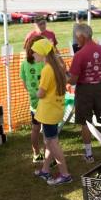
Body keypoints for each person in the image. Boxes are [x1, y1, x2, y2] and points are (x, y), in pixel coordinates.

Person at [69, 24, 101, 163]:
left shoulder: (79, 54)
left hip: (84, 90)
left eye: (76, 37)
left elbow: (73, 80)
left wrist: (64, 76)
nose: (76, 40)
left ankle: (89, 154)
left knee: (85, 122)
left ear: (81, 36)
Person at [32, 39, 72, 186]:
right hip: (55, 110)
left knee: (53, 143)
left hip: (49, 112)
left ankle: (65, 174)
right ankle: (45, 170)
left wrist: (36, 93)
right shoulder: (57, 66)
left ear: (42, 53)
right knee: (48, 142)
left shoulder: (47, 69)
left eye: (34, 51)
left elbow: (41, 93)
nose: (33, 54)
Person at [20, 33, 46, 164]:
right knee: (47, 131)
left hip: (34, 102)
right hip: (46, 102)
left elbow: (24, 83)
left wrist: (32, 92)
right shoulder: (43, 62)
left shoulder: (24, 63)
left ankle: (36, 154)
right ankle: (49, 157)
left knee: (35, 128)